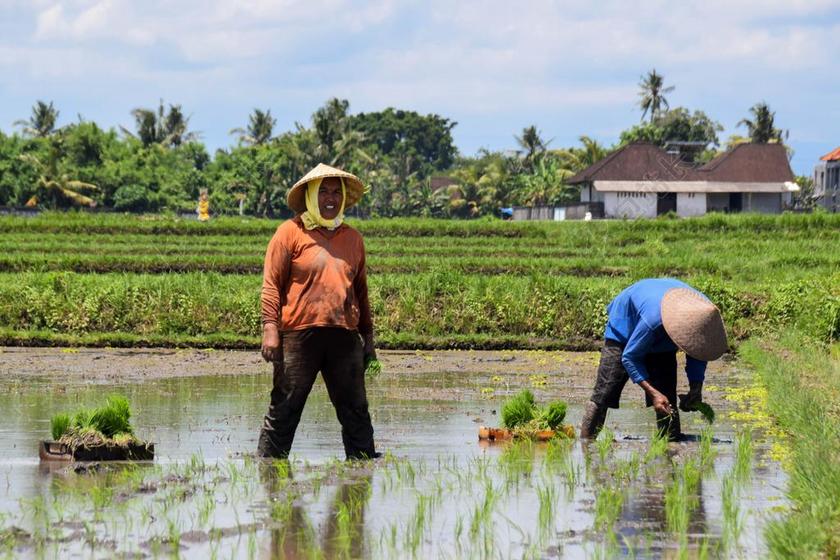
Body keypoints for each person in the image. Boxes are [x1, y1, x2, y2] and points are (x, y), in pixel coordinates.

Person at [257, 163, 378, 460]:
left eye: (337, 192)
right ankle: (269, 467)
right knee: (286, 405)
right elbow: (272, 283)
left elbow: (360, 291)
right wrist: (270, 327)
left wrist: (368, 338)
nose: (330, 198)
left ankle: (362, 470)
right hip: (298, 335)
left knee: (355, 409)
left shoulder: (353, 238)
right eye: (323, 191)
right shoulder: (289, 233)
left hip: (344, 335)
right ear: (311, 195)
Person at [579, 278, 728, 441]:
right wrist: (653, 393)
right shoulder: (653, 319)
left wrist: (696, 388)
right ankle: (586, 442)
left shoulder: (704, 312)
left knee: (667, 398)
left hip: (664, 336)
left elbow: (698, 351)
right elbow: (629, 357)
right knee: (605, 391)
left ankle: (670, 441)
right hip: (626, 327)